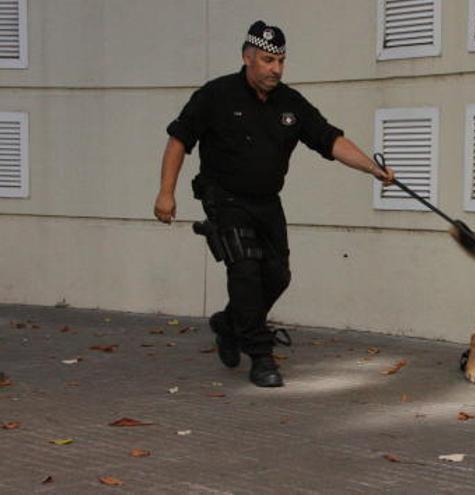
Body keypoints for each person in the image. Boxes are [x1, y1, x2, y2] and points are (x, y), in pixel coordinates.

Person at [153, 20, 395, 387]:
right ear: (247, 57)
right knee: (246, 269)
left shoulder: (290, 103)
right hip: (225, 198)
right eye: (268, 60)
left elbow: (330, 140)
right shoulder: (216, 96)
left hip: (267, 201)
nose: (276, 69)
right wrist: (165, 193)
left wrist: (372, 168)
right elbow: (178, 141)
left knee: (278, 275)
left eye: (281, 61)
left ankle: (230, 325)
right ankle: (261, 355)